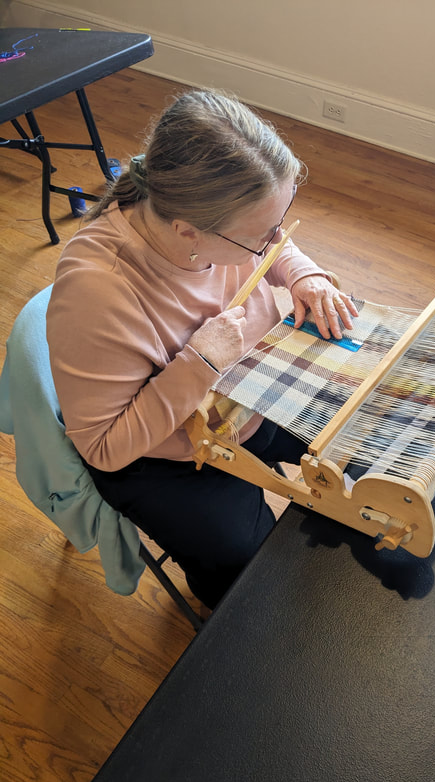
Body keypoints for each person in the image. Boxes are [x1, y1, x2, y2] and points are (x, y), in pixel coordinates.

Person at [46, 88, 358, 609]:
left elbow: (275, 240)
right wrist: (201, 362)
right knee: (250, 570)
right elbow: (104, 447)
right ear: (188, 231)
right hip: (164, 453)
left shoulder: (211, 218)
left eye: (283, 220)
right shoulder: (97, 292)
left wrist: (304, 274)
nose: (275, 240)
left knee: (364, 456)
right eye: (262, 236)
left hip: (251, 388)